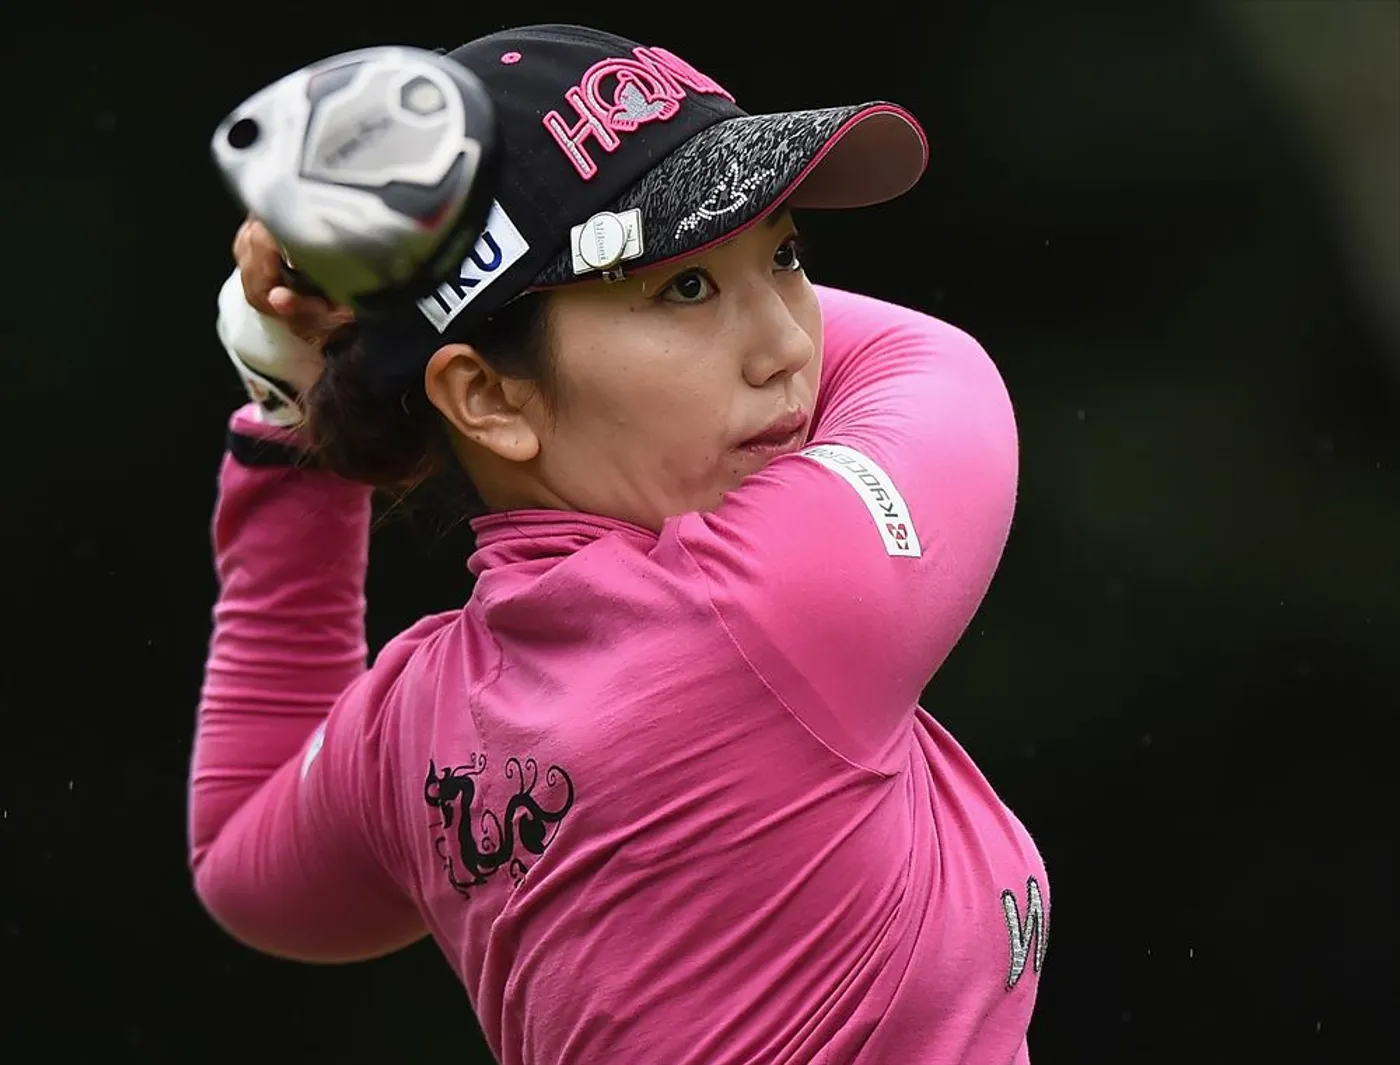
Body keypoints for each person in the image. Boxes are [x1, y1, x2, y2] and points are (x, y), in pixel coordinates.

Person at [189, 22, 1049, 1065]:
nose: (788, 346)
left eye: (782, 254)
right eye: (683, 287)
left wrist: (300, 395)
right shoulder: (771, 601)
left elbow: (240, 860)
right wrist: (366, 345)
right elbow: (930, 361)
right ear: (488, 398)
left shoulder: (422, 720)